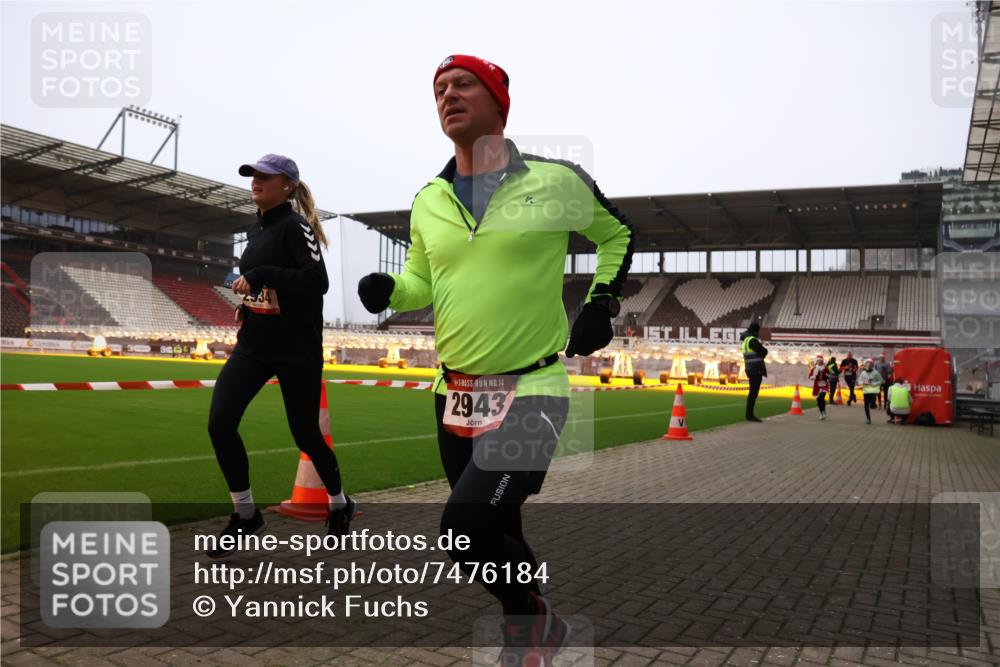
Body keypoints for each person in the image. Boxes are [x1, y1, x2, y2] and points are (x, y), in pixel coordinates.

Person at [357, 55, 633, 664]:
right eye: (438, 90)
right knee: (497, 527)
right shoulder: (427, 198)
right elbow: (422, 282)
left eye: (462, 85)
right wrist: (390, 292)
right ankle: (529, 638)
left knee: (463, 529)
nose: (447, 95)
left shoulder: (556, 182)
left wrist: (601, 301)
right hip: (453, 394)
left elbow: (618, 233)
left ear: (498, 101)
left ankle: (533, 617)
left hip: (532, 388)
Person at [206, 154, 354, 558]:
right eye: (253, 176)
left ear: (287, 185)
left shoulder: (296, 226)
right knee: (220, 424)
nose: (255, 182)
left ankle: (340, 503)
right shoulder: (255, 231)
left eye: (264, 177)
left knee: (305, 434)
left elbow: (316, 282)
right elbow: (266, 287)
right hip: (254, 346)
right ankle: (246, 516)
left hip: (297, 351)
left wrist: (261, 275)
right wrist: (252, 301)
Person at [739, 321, 767, 422]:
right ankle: (750, 415)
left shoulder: (745, 340)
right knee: (753, 393)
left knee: (752, 393)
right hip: (756, 369)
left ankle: (749, 414)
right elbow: (764, 351)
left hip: (749, 368)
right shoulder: (752, 340)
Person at [857, 358, 883, 425]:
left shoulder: (876, 372)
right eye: (867, 363)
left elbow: (881, 381)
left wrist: (874, 383)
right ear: (865, 365)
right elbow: (859, 381)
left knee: (871, 404)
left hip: (873, 390)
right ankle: (868, 419)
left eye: (870, 364)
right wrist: (863, 382)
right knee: (866, 405)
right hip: (866, 391)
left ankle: (873, 404)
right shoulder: (863, 373)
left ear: (872, 365)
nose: (868, 365)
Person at [808, 354, 829, 420]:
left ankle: (824, 411)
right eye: (818, 361)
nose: (819, 362)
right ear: (816, 361)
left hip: (824, 386)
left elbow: (830, 374)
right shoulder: (814, 369)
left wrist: (826, 377)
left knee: (821, 398)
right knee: (818, 400)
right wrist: (813, 377)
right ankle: (822, 412)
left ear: (822, 361)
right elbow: (810, 376)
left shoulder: (825, 368)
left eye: (820, 361)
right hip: (817, 387)